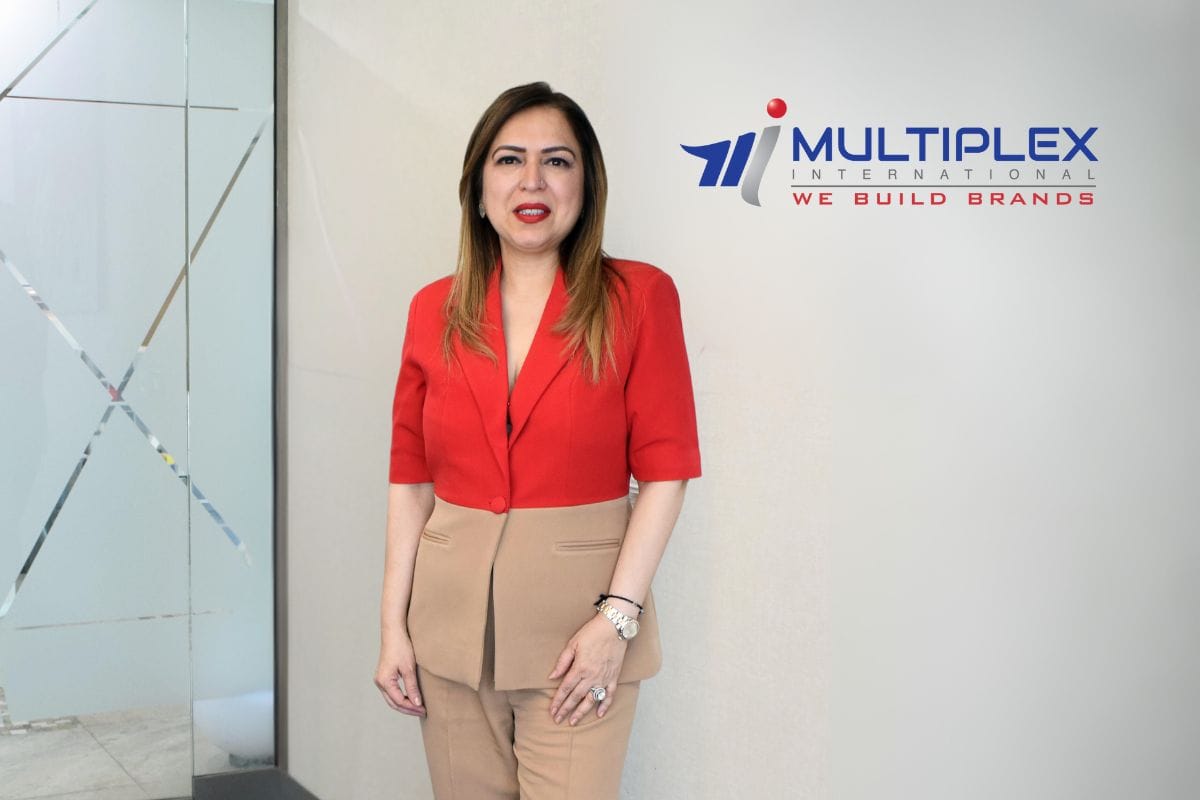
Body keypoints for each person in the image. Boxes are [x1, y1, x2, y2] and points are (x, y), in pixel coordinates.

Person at [374, 81, 702, 799]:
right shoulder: (432, 309)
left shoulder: (639, 298)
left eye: (556, 160)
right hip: (447, 635)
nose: (532, 180)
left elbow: (667, 474)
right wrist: (393, 626)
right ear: (477, 187)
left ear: (586, 184)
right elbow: (411, 482)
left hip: (577, 639)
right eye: (508, 160)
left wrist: (615, 622)